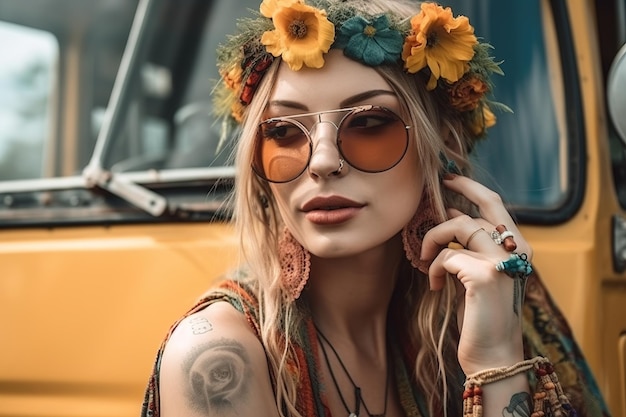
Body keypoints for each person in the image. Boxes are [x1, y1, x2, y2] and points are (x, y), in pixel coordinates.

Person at [140, 1, 590, 416]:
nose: (321, 163)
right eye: (283, 131)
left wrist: (495, 359)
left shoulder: (467, 315)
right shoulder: (220, 356)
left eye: (370, 124)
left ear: (442, 149)